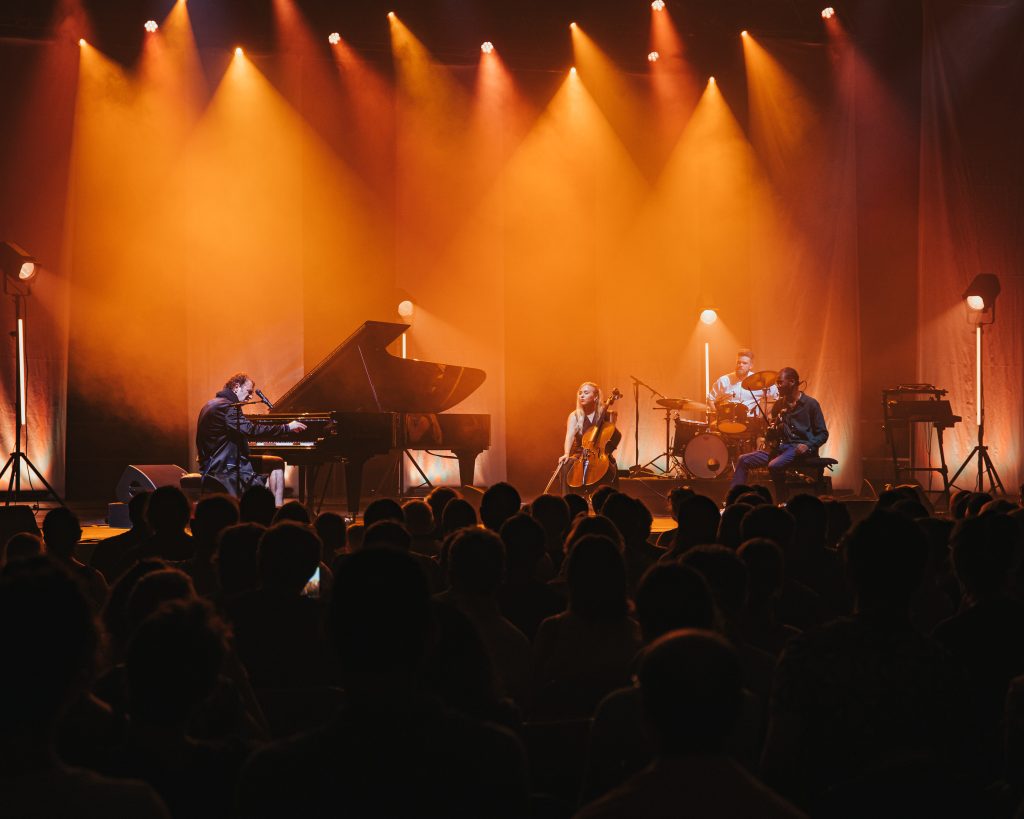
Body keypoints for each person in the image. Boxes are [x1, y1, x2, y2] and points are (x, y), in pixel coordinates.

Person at [196, 373, 305, 506]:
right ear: (236, 387)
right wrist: (286, 427)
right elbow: (251, 430)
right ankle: (274, 511)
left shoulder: (211, 404)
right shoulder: (228, 407)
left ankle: (273, 508)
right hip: (224, 466)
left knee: (276, 462)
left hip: (213, 462)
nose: (251, 396)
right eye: (249, 391)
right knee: (276, 465)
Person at [731, 368, 827, 501]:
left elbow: (823, 433)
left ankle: (781, 500)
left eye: (780, 383)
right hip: (782, 450)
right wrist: (769, 434)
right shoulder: (779, 405)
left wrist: (808, 446)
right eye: (777, 383)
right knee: (743, 459)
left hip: (799, 449)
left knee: (774, 465)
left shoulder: (811, 404)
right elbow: (774, 436)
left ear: (792, 382)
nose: (777, 386)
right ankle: (734, 500)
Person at [558, 382, 621, 493]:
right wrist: (566, 454)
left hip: (599, 455)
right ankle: (566, 499)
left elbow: (615, 436)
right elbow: (569, 436)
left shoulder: (606, 414)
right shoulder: (575, 415)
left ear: (595, 397)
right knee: (565, 465)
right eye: (580, 393)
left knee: (612, 465)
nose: (581, 395)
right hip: (580, 454)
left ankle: (612, 502)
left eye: (586, 393)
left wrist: (607, 452)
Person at [707, 348, 778, 418]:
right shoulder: (724, 380)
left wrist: (763, 415)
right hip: (727, 421)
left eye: (744, 363)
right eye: (739, 362)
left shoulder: (759, 380)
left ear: (751, 366)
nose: (741, 365)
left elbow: (777, 398)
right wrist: (717, 415)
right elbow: (710, 399)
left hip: (751, 422)